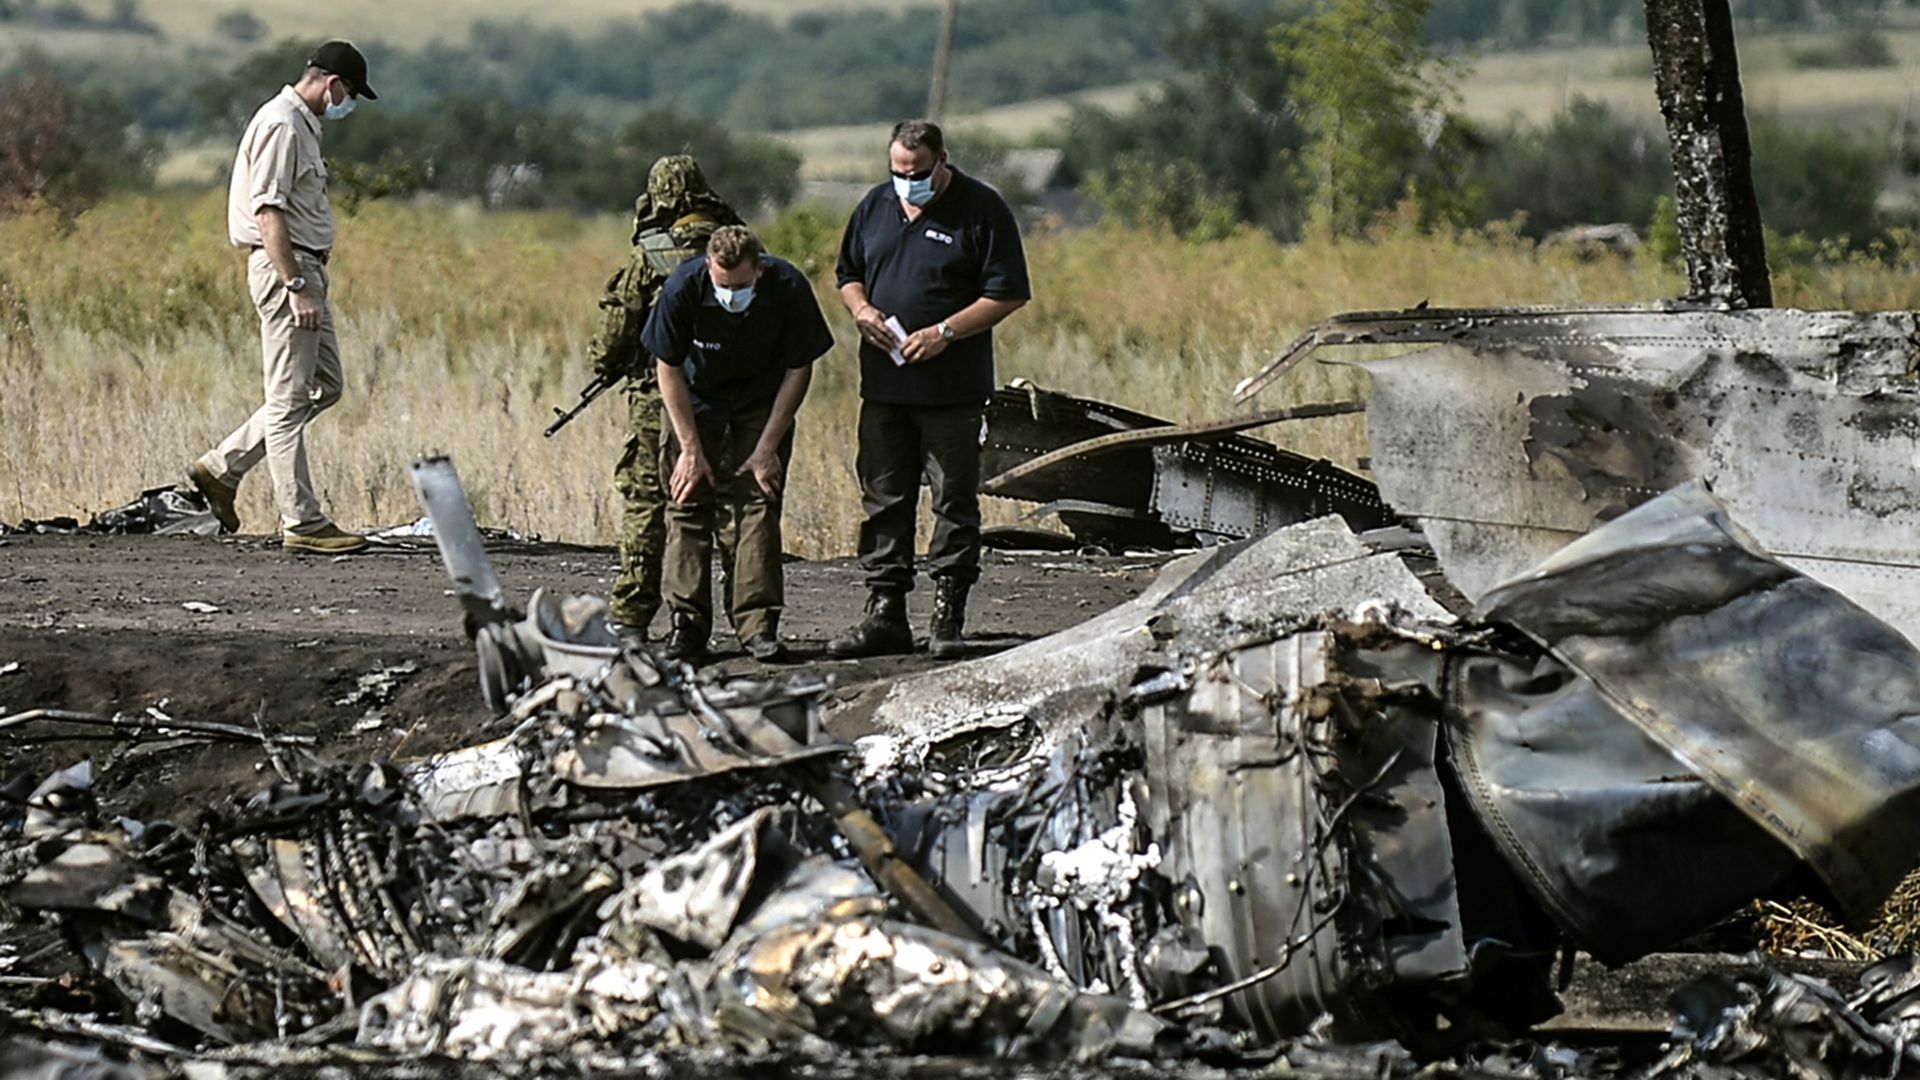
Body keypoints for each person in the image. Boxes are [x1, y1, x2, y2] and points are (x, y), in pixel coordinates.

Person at [828, 119, 1030, 659]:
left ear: (943, 162)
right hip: (885, 383)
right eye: (898, 172)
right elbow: (847, 273)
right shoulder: (874, 206)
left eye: (917, 173)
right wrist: (862, 309)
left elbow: (1008, 292)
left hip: (952, 389)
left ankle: (948, 614)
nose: (907, 182)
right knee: (884, 497)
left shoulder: (982, 209)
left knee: (953, 500)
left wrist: (945, 332)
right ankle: (885, 611)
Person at [185, 41, 377, 555]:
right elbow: (269, 212)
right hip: (287, 270)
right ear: (332, 83)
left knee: (327, 384)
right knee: (290, 400)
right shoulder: (282, 124)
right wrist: (294, 285)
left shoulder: (301, 126)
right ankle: (303, 522)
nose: (347, 104)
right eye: (350, 93)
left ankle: (223, 466)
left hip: (306, 268)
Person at [645, 225, 833, 663]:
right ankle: (687, 625)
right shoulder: (682, 288)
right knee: (687, 499)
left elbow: (799, 368)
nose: (730, 293)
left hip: (761, 399)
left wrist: (767, 448)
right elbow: (667, 367)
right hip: (697, 398)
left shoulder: (787, 287)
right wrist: (690, 450)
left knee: (759, 501)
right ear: (708, 267)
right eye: (722, 284)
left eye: (741, 285)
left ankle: (757, 625)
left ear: (759, 270)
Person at [585, 156, 744, 643]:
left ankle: (632, 618)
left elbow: (612, 339)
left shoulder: (648, 256)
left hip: (658, 401)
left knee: (646, 504)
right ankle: (748, 619)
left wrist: (607, 367)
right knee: (730, 512)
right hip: (728, 400)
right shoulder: (735, 246)